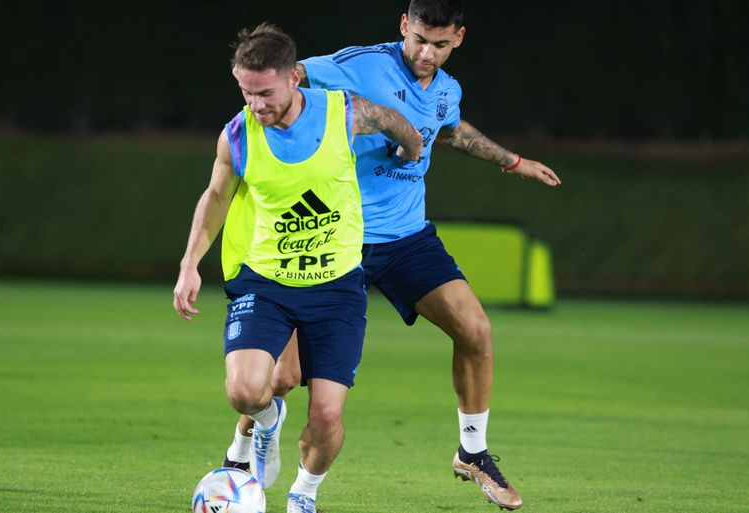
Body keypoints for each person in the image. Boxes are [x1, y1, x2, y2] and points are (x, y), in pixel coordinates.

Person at [226, 1, 562, 510]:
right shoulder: (358, 65)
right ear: (404, 25)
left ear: (459, 39)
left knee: (476, 330)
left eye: (440, 44)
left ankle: (472, 452)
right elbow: (283, 78)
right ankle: (241, 447)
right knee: (282, 378)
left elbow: (450, 132)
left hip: (406, 237)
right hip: (334, 240)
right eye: (419, 39)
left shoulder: (447, 90)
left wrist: (513, 161)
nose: (426, 53)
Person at [173, 23, 422, 513]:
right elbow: (216, 196)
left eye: (265, 93)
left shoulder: (344, 113)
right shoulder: (238, 134)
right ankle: (267, 423)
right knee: (245, 392)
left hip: (335, 287)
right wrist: (190, 264)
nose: (255, 104)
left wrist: (410, 147)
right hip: (266, 281)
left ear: (293, 78)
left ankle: (303, 494)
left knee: (326, 414)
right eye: (246, 92)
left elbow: (394, 121)